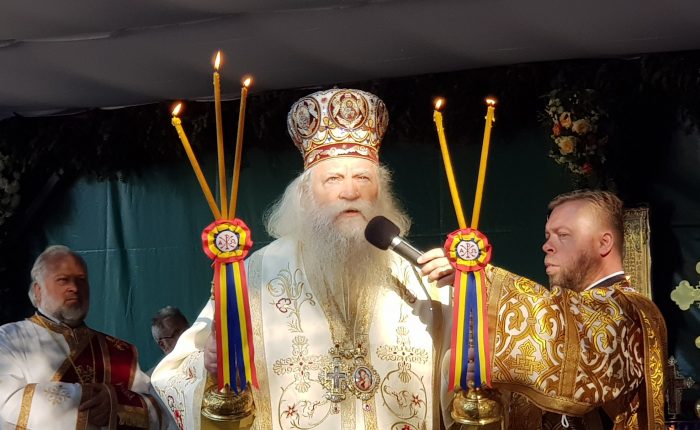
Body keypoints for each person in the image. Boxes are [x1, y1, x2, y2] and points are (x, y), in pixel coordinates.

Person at [152, 88, 453, 430]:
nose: (350, 191)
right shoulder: (255, 275)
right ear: (305, 194)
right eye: (334, 178)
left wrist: (467, 295)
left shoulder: (421, 276)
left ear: (380, 191)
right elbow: (174, 375)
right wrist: (210, 369)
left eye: (363, 177)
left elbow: (462, 379)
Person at [419, 190, 667, 429]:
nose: (547, 246)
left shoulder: (634, 311)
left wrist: (478, 278)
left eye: (563, 235)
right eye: (548, 236)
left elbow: (582, 347)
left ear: (604, 243)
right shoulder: (566, 311)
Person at [0, 245, 177, 429]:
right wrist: (86, 400)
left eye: (81, 280)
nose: (74, 288)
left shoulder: (118, 352)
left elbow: (162, 415)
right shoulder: (8, 338)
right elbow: (6, 400)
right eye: (63, 280)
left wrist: (115, 402)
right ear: (38, 291)